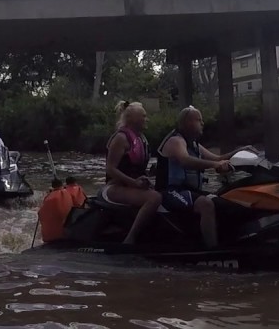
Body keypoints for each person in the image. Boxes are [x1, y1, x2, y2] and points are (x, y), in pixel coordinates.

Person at [156, 106, 254, 248]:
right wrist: (215, 165)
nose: (202, 123)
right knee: (205, 204)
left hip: (188, 191)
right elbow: (185, 160)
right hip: (170, 191)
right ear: (188, 122)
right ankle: (212, 249)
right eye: (199, 120)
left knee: (223, 200)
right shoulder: (176, 141)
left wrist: (239, 151)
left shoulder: (194, 144)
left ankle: (231, 241)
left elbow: (218, 158)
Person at [103, 100, 162, 245]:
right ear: (131, 119)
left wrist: (151, 174)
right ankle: (130, 239)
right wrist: (134, 183)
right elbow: (110, 168)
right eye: (143, 116)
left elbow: (136, 169)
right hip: (113, 187)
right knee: (153, 198)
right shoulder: (121, 138)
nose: (146, 119)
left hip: (131, 186)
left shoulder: (141, 138)